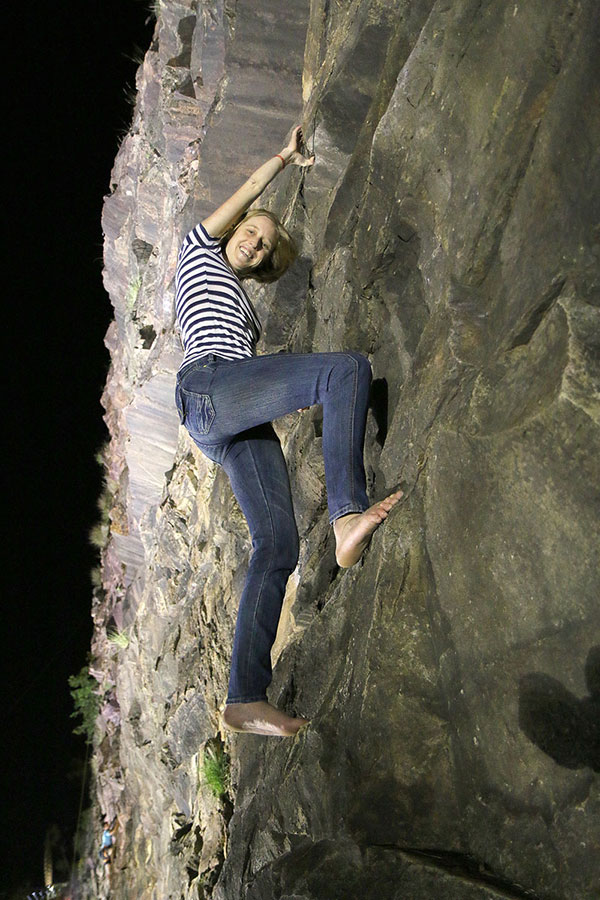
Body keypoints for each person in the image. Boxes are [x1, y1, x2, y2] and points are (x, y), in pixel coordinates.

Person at [174, 125, 402, 737]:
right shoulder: (198, 250)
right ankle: (347, 515)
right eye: (251, 231)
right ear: (232, 230)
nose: (254, 243)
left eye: (265, 245)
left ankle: (245, 697)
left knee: (277, 546)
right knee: (346, 370)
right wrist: (282, 157)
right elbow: (244, 196)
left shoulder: (245, 304)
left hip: (227, 417)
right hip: (208, 385)